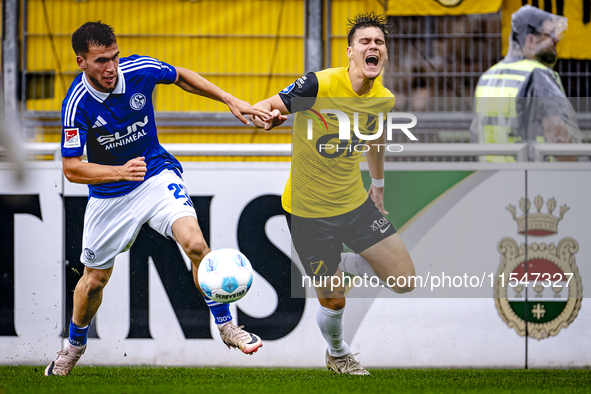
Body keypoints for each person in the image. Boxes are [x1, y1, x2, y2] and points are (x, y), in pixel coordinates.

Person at [45, 21, 269, 376]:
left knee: (196, 245)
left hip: (155, 175)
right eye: (101, 60)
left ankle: (227, 327)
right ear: (81, 62)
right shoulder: (77, 104)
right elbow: (72, 169)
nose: (111, 68)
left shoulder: (139, 70)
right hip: (109, 195)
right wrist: (119, 171)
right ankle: (74, 346)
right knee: (93, 282)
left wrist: (229, 98)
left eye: (114, 57)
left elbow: (180, 75)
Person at [250, 13, 416, 375]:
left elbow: (375, 139)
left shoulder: (383, 99)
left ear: (384, 54)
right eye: (365, 42)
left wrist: (379, 185)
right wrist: (268, 116)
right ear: (350, 52)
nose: (373, 47)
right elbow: (267, 106)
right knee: (335, 298)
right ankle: (338, 353)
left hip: (354, 205)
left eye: (379, 43)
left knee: (405, 280)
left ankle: (344, 266)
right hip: (308, 213)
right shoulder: (318, 85)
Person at [471, 4, 582, 162]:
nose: (556, 39)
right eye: (549, 34)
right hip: (533, 179)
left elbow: (477, 134)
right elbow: (557, 137)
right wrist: (575, 172)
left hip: (492, 177)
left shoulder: (487, 77)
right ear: (530, 40)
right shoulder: (537, 76)